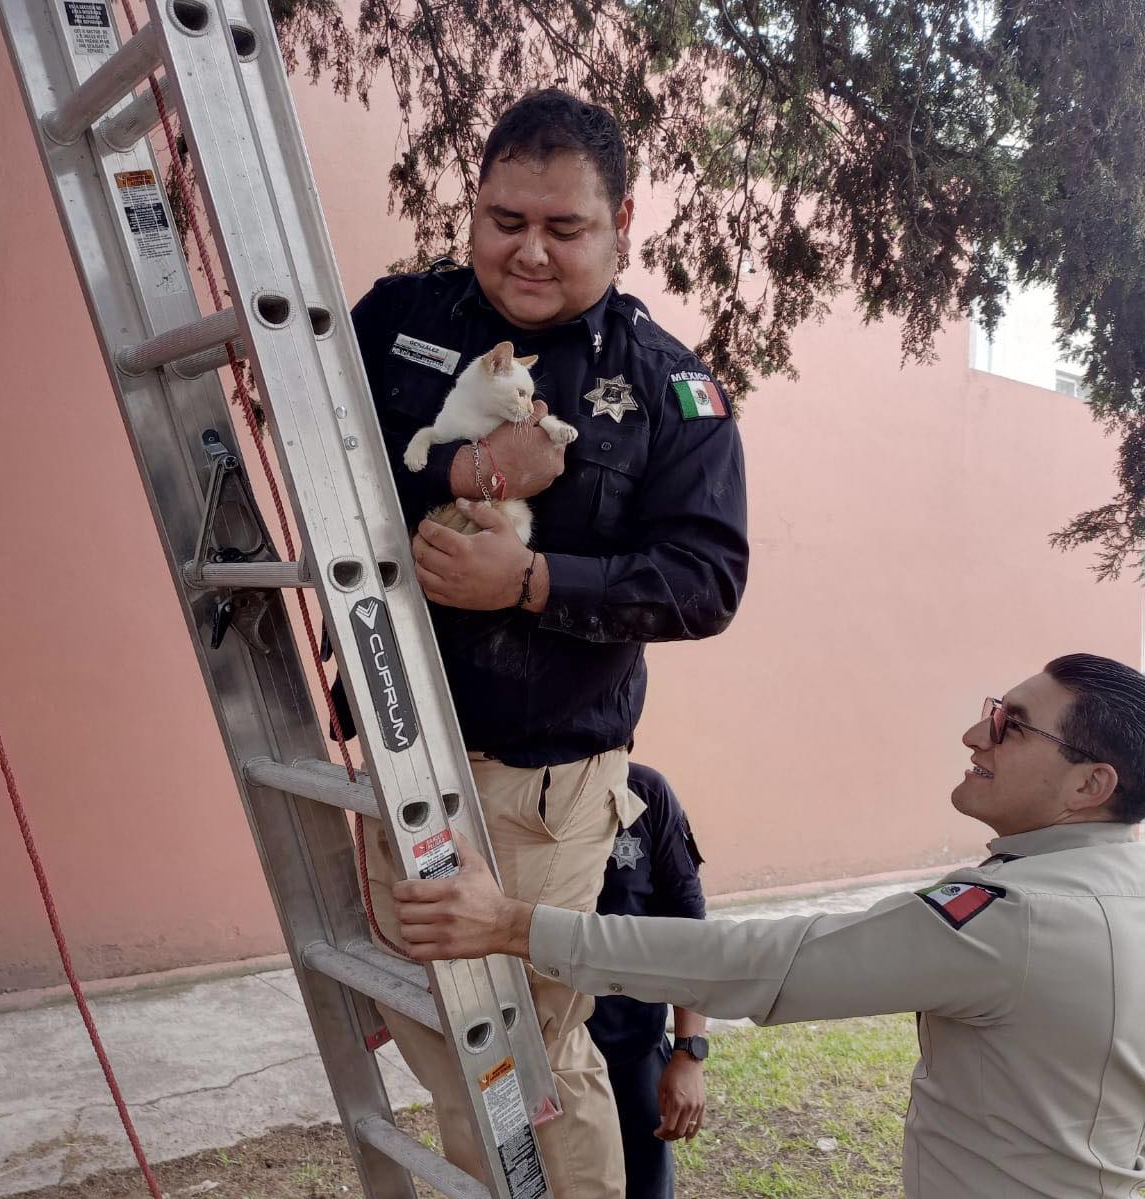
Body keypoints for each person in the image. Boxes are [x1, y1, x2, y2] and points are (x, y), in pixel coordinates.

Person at [331, 88, 748, 1196]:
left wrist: (528, 579)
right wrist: (454, 473)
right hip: (393, 749)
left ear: (621, 223)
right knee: (444, 1034)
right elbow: (315, 451)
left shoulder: (669, 384)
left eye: (564, 227)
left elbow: (707, 579)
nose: (527, 249)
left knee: (523, 1046)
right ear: (474, 208)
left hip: (542, 788)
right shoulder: (395, 319)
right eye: (505, 217)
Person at [392, 654, 1145, 1198]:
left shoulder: (1020, 917)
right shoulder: (1111, 891)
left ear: (1088, 783)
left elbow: (762, 956)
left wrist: (512, 923)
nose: (971, 734)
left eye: (1007, 725)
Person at [588, 763, 708, 1199]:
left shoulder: (644, 793)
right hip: (535, 1059)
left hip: (631, 1051)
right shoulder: (505, 792)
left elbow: (690, 934)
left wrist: (689, 1054)